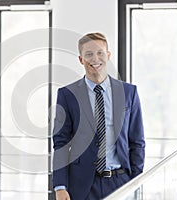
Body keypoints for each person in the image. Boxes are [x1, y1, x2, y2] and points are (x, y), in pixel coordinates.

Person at [52, 32, 145, 200]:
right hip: (81, 185)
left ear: (108, 55)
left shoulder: (129, 92)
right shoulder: (67, 95)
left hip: (121, 182)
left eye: (100, 52)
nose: (95, 59)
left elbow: (137, 142)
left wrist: (136, 180)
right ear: (81, 59)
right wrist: (60, 186)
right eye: (89, 54)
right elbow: (61, 144)